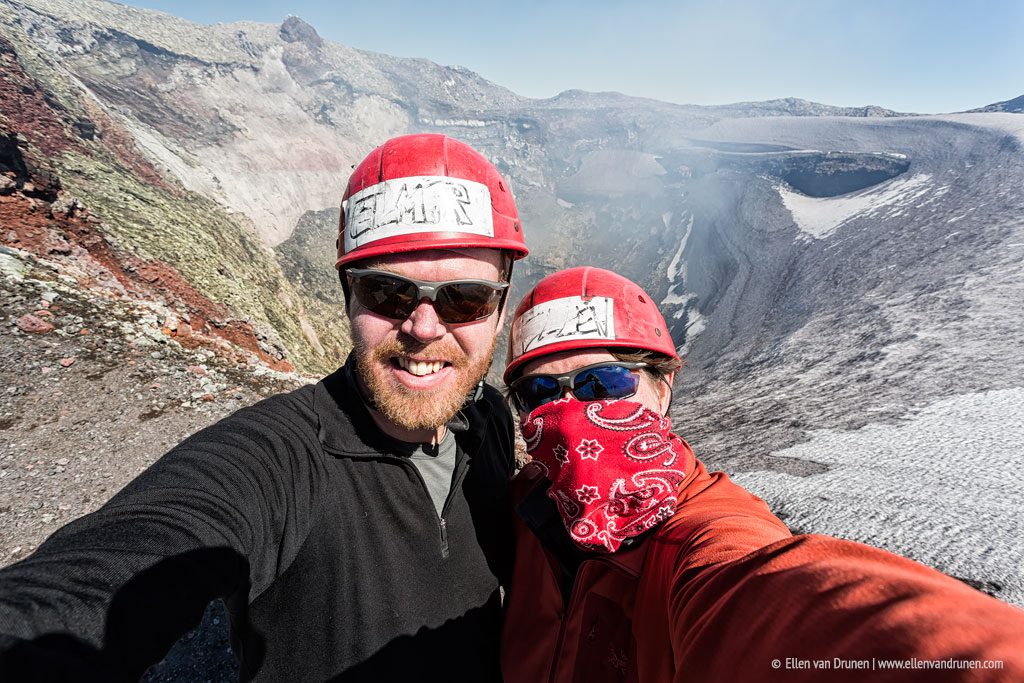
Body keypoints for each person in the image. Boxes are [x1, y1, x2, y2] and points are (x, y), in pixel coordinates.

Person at [0, 134, 527, 682]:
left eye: (465, 299)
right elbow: (128, 555)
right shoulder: (281, 457)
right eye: (387, 293)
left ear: (501, 305)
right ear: (348, 294)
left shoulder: (486, 416)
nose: (422, 327)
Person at [500, 266, 1024, 682]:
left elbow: (765, 594)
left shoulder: (700, 534)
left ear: (663, 389)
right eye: (539, 394)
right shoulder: (524, 505)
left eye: (603, 382)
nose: (570, 413)